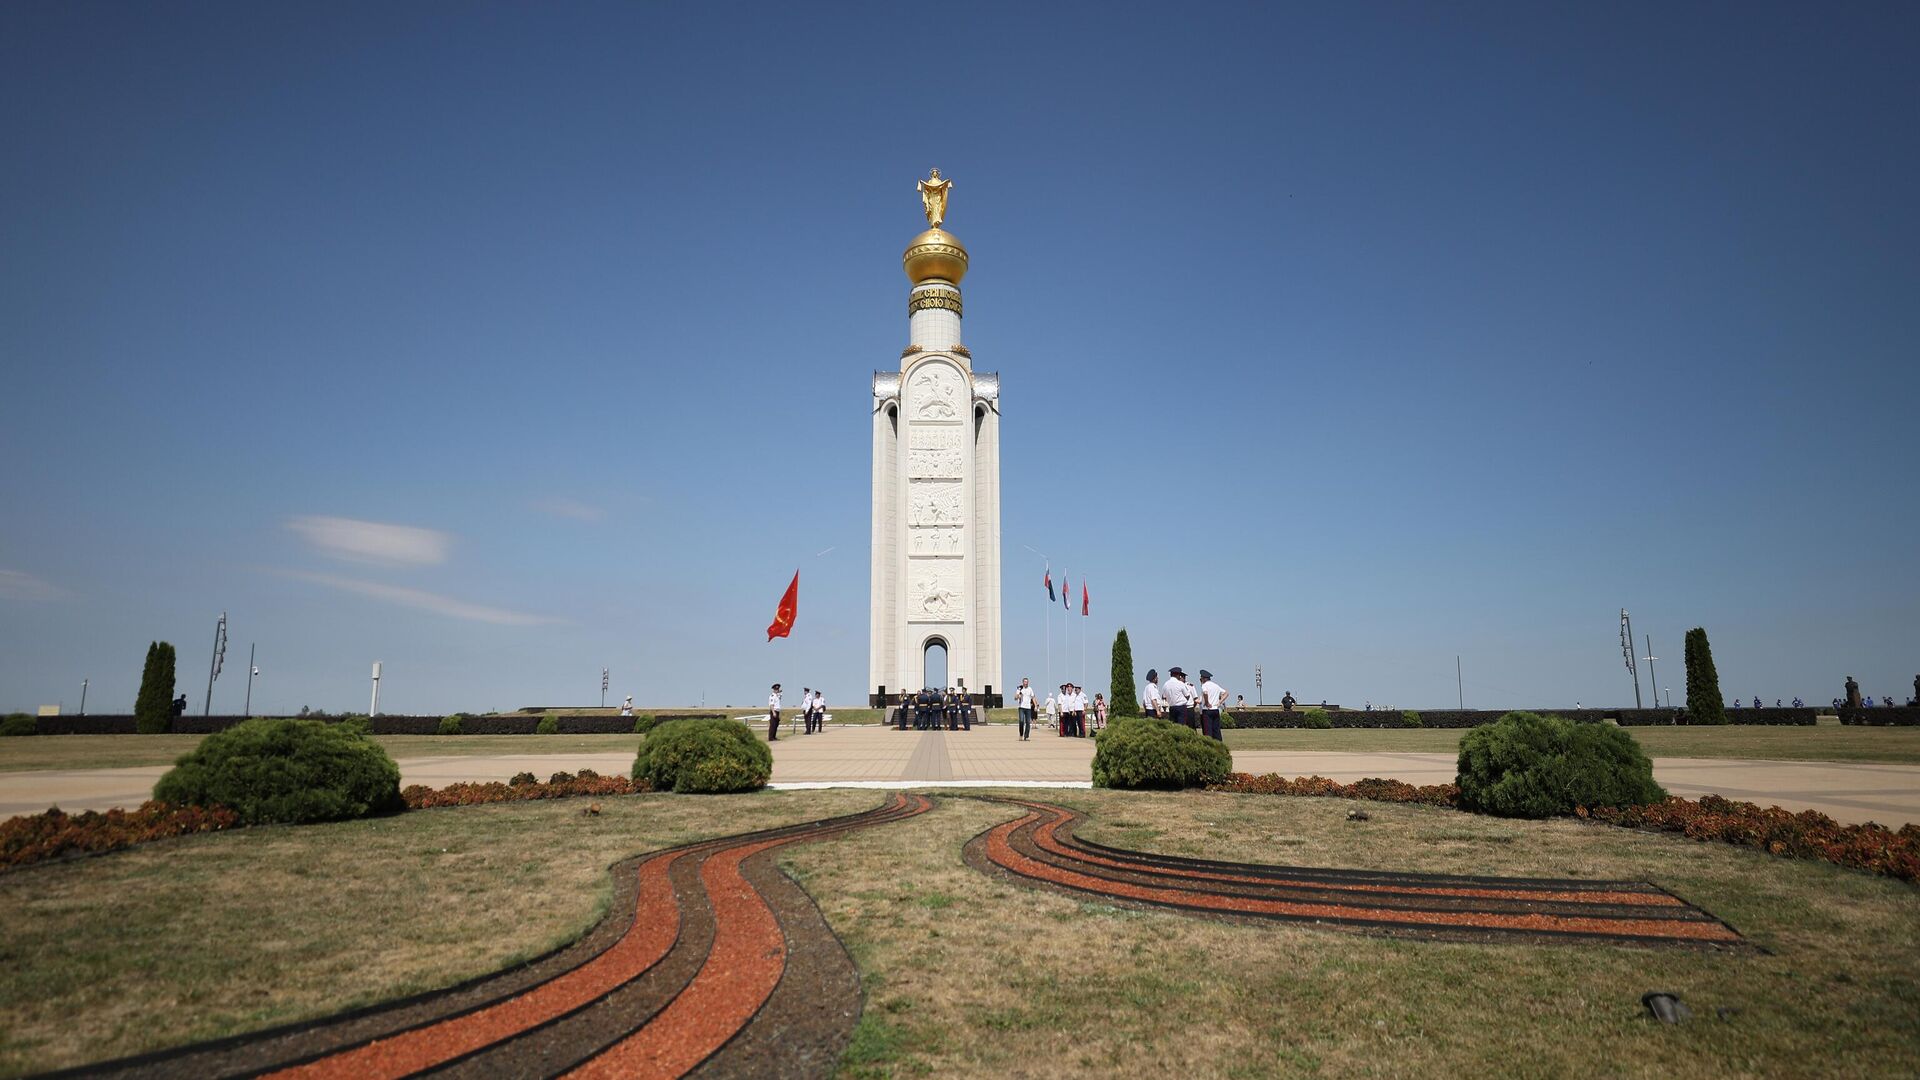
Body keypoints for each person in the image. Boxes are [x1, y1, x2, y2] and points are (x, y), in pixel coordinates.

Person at [1199, 670, 1226, 740]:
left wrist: (1207, 702)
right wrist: (1220, 702)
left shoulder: (1204, 685)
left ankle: (1209, 746)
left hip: (1207, 710)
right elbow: (1226, 693)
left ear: (1204, 678)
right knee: (1216, 730)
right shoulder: (1215, 685)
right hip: (1215, 709)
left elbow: (1205, 692)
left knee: (1208, 731)